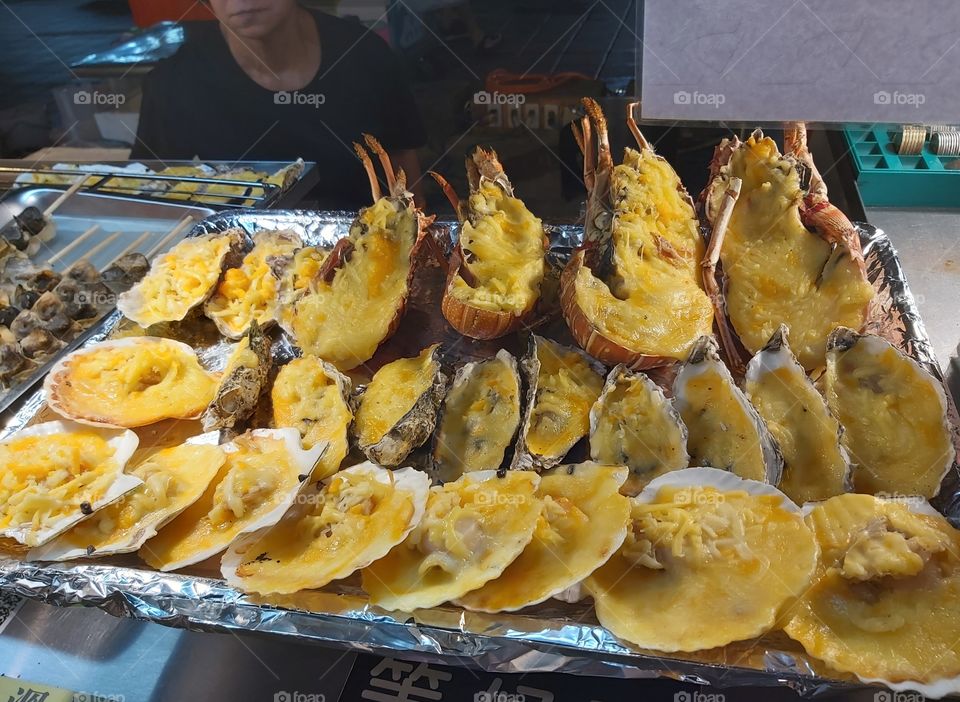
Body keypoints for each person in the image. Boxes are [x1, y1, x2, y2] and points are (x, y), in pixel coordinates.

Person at [131, 0, 426, 208]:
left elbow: (404, 164)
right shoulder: (175, 81)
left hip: (370, 253)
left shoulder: (364, 54)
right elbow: (151, 189)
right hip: (244, 270)